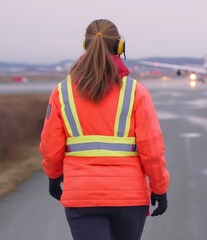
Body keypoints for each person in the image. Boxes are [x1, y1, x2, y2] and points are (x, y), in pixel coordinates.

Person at [39, 19, 170, 240]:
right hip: (129, 198)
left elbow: (50, 146)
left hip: (82, 196)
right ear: (119, 46)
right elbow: (152, 149)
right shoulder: (136, 92)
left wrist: (53, 177)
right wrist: (159, 188)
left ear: (85, 45)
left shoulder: (62, 92)